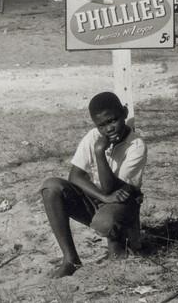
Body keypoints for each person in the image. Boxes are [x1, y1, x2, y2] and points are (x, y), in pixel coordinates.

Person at [40, 92, 147, 278]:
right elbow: (75, 176)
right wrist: (103, 197)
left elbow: (110, 188)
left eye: (113, 120)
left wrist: (99, 153)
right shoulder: (93, 136)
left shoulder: (136, 145)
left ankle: (121, 241)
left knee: (105, 224)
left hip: (123, 201)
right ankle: (70, 259)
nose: (109, 129)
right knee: (51, 188)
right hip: (100, 198)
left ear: (124, 112)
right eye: (102, 125)